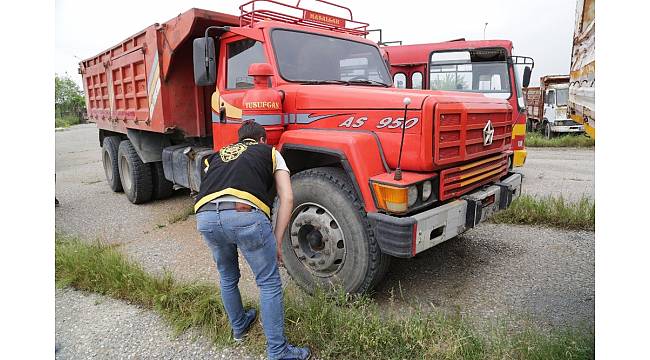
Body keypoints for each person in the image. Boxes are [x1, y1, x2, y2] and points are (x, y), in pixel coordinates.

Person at [194, 120, 310, 360]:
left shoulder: (216, 156)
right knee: (268, 283)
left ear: (239, 139)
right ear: (262, 139)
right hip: (244, 215)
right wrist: (277, 241)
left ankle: (239, 328)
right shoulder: (270, 153)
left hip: (205, 216)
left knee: (227, 276)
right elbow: (287, 198)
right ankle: (278, 351)